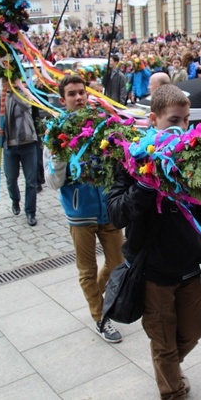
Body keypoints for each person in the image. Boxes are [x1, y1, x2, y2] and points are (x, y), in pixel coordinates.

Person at [107, 84, 201, 400]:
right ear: (153, 120)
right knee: (163, 343)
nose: (182, 128)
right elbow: (116, 213)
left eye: (186, 120)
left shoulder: (190, 160)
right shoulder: (132, 161)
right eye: (174, 120)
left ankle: (169, 366)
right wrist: (145, 185)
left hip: (188, 271)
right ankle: (173, 390)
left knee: (193, 332)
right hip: (152, 276)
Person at [44, 75, 125, 342]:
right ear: (62, 99)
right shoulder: (56, 132)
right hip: (80, 212)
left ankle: (97, 298)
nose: (78, 98)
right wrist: (59, 159)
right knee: (87, 269)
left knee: (117, 263)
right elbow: (53, 182)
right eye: (72, 94)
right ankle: (100, 317)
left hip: (108, 207)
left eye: (81, 92)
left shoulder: (100, 124)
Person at [0, 81, 39, 226]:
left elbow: (26, 106)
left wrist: (13, 92)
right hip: (8, 145)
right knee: (11, 178)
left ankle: (30, 211)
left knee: (31, 180)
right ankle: (15, 199)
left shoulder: (23, 92)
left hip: (27, 141)